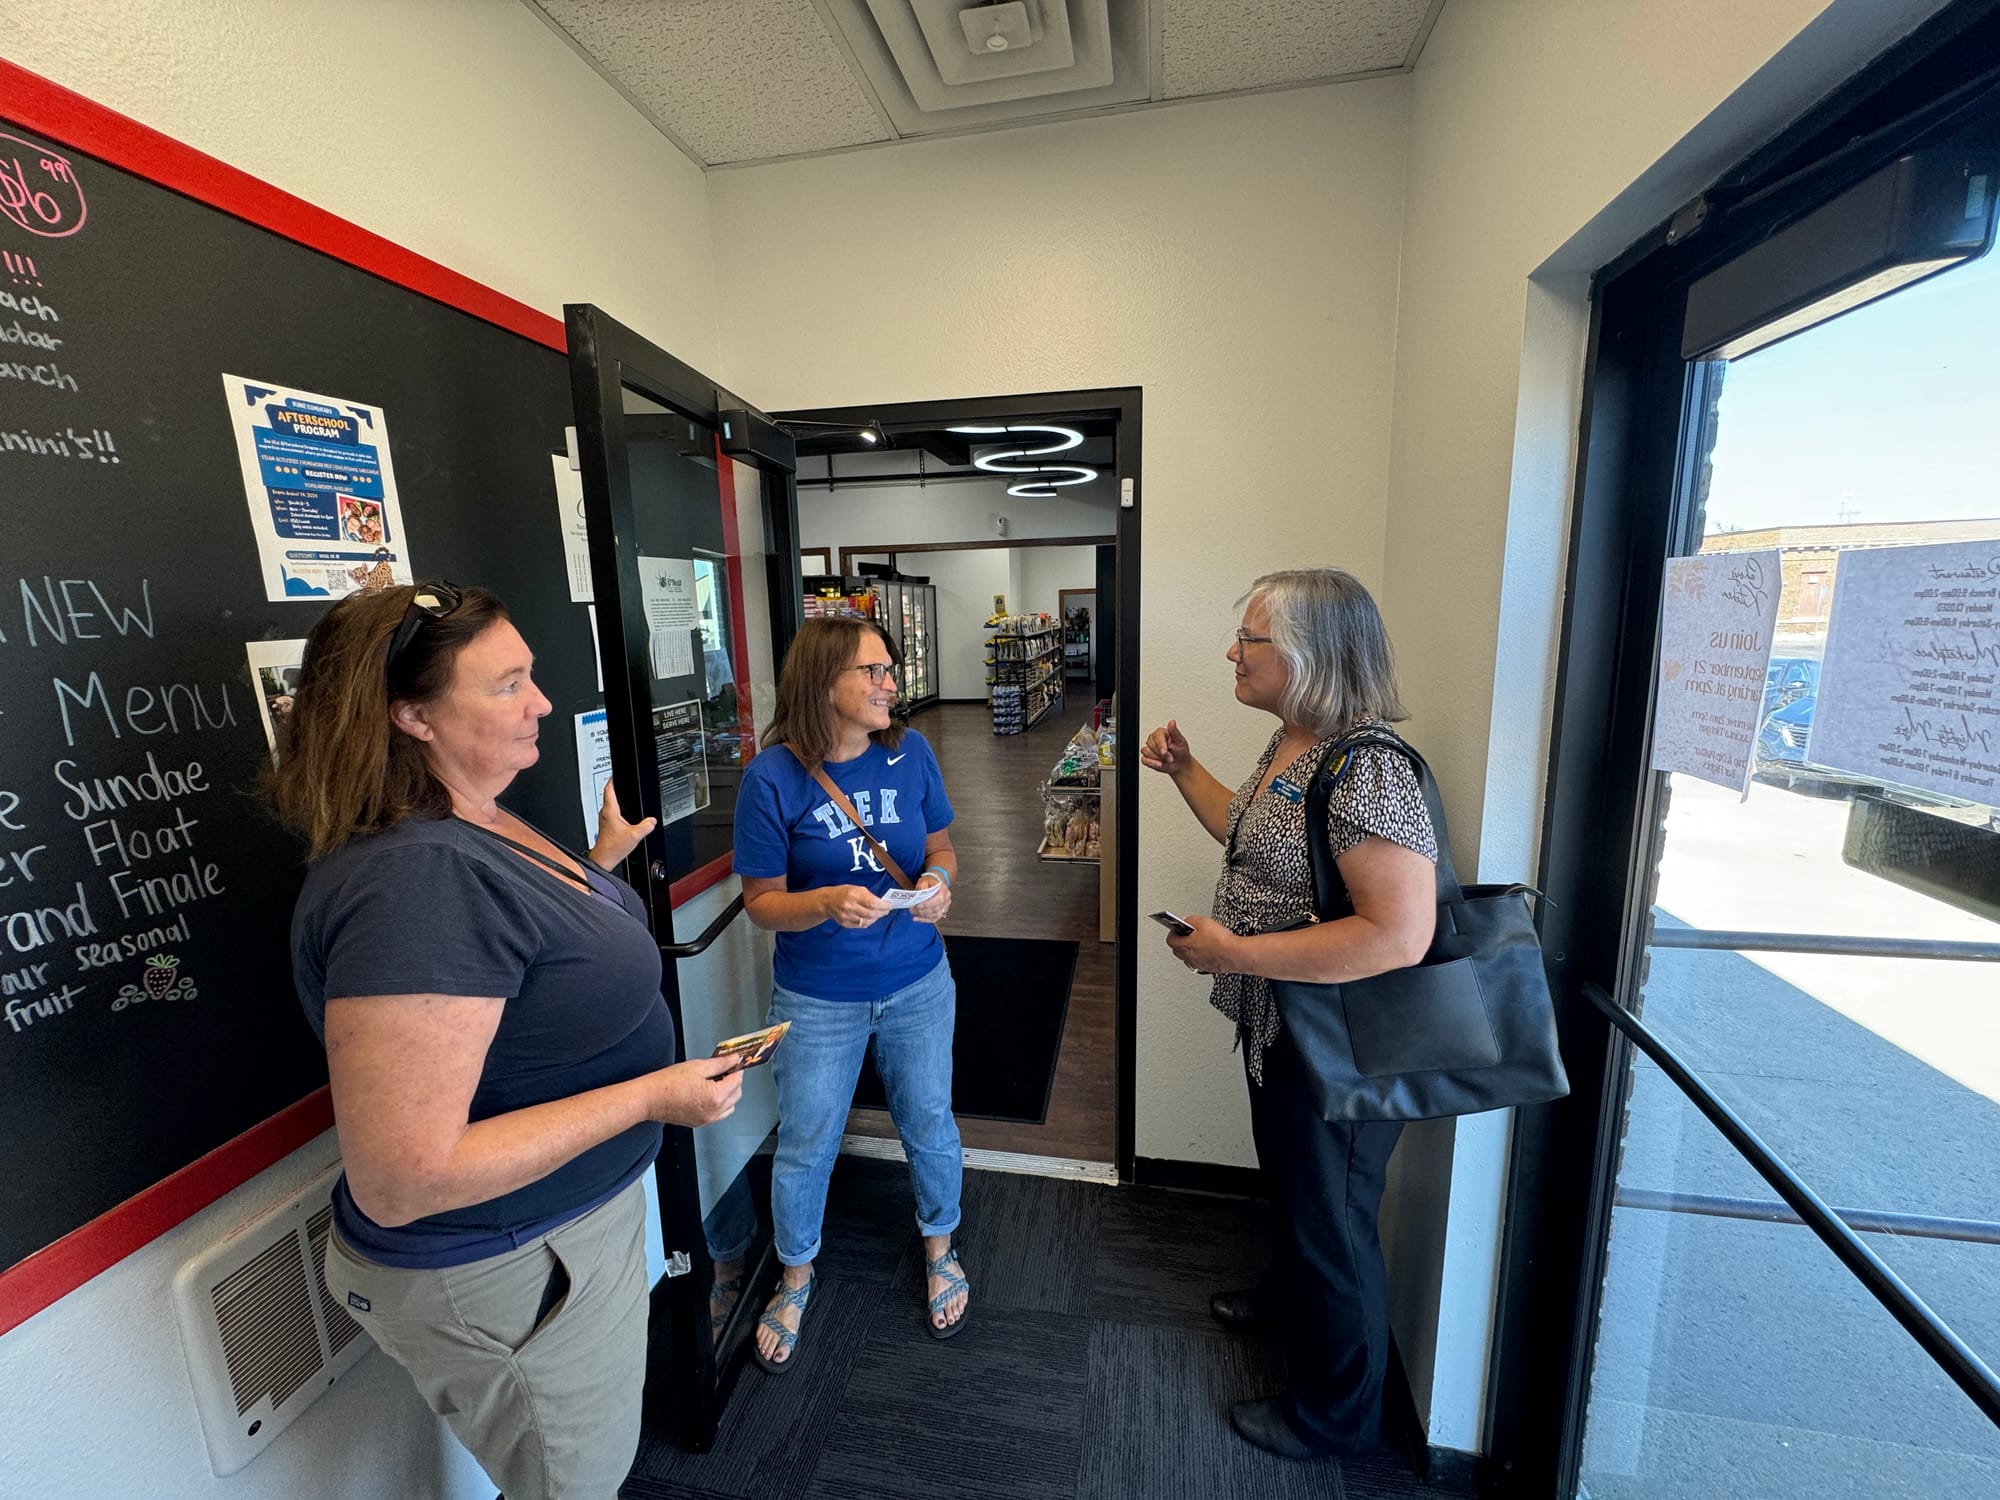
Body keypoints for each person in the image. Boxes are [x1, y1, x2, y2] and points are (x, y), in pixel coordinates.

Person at [274, 581, 745, 1500]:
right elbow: (404, 1175)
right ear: (411, 714)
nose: (542, 702)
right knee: (573, 1482)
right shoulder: (418, 881)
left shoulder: (476, 822)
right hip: (508, 1257)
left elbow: (513, 966)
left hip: (557, 1230)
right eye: (507, 685)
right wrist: (654, 1096)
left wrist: (598, 868)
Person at [1141, 567, 1439, 1462]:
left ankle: (1335, 1418)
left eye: (1251, 639)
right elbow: (1252, 831)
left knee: (1335, 1222)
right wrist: (1187, 770)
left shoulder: (1369, 768)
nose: (1233, 652)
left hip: (1337, 1041)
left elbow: (1398, 934)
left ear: (1309, 655)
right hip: (1284, 1027)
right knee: (1299, 1192)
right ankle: (1287, 1298)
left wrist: (1234, 950)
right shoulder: (1299, 746)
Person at [732, 616, 968, 1371]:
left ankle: (941, 1245)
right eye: (872, 670)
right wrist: (825, 902)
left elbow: (941, 848)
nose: (889, 683)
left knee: (929, 1119)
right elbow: (761, 901)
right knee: (806, 1142)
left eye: (890, 669)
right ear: (822, 681)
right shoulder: (771, 777)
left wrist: (938, 884)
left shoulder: (911, 751)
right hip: (816, 998)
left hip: (917, 981)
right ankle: (795, 1273)